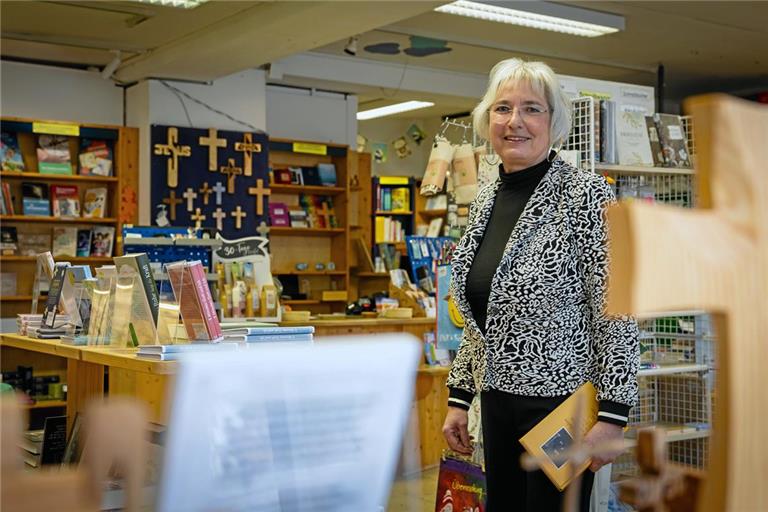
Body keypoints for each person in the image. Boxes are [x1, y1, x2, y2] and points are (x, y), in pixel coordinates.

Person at [442, 58, 639, 511]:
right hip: (495, 403)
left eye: (531, 109)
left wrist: (613, 416)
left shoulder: (586, 195)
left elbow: (617, 306)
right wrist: (459, 396)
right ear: (486, 118)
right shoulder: (487, 196)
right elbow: (484, 313)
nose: (515, 122)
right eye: (502, 108)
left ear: (554, 121)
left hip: (561, 410)